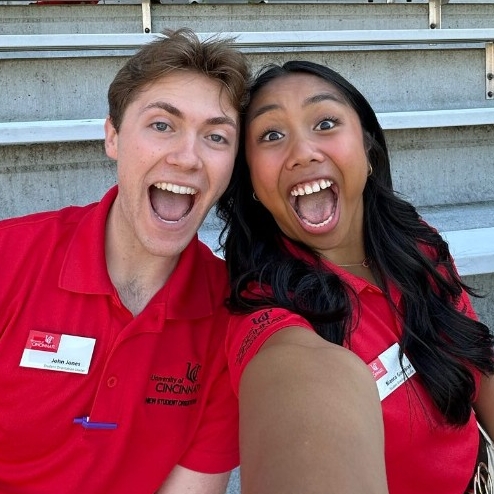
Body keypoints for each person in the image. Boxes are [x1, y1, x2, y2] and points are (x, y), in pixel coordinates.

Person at [217, 60, 494, 494]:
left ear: (367, 147)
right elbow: (299, 393)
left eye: (325, 122)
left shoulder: (415, 243)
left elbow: (476, 360)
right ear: (250, 178)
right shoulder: (264, 312)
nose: (303, 152)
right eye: (271, 135)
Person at [0, 28, 249, 494]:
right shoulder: (9, 259)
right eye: (162, 125)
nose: (187, 157)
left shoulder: (229, 314)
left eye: (216, 136)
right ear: (112, 136)